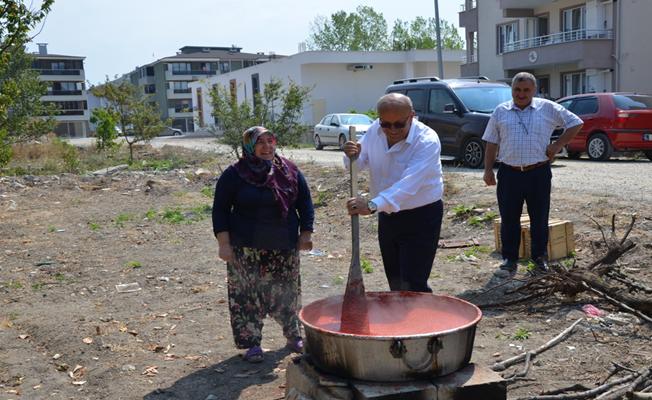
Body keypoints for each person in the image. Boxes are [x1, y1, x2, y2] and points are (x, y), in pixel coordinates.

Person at [212, 126, 314, 363]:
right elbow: (220, 210)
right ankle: (252, 344)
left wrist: (306, 234)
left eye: (271, 141)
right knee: (247, 295)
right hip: (245, 248)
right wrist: (223, 244)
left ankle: (293, 335)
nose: (267, 147)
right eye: (261, 143)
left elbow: (305, 204)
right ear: (250, 146)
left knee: (286, 293)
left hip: (283, 245)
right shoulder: (234, 174)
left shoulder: (289, 170)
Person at [482, 72, 583, 275]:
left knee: (539, 217)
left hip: (538, 172)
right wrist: (487, 170)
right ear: (511, 90)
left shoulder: (547, 107)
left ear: (534, 90)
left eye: (526, 90)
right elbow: (491, 142)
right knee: (509, 218)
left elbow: (576, 123)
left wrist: (557, 145)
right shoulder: (501, 111)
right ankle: (509, 260)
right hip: (509, 174)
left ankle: (539, 258)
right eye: (517, 90)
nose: (521, 94)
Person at [343, 93, 444, 293]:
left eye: (398, 124)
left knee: (413, 282)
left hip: (420, 217)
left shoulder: (427, 141)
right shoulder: (375, 131)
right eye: (386, 124)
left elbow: (407, 186)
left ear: (412, 116)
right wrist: (350, 154)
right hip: (387, 215)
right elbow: (356, 164)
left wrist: (371, 205)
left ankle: (420, 322)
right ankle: (398, 320)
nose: (392, 130)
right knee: (395, 280)